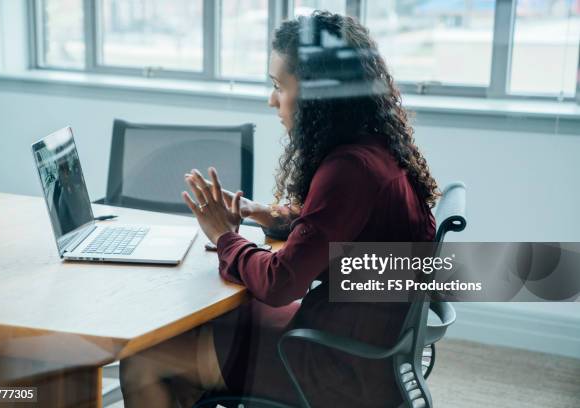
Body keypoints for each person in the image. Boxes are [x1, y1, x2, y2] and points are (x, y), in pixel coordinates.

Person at [120, 11, 438, 408]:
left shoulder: (348, 169)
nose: (272, 100)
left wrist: (225, 237)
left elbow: (281, 284)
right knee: (200, 333)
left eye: (278, 86)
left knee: (141, 362)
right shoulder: (375, 149)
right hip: (367, 347)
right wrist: (273, 217)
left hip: (337, 367)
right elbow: (344, 231)